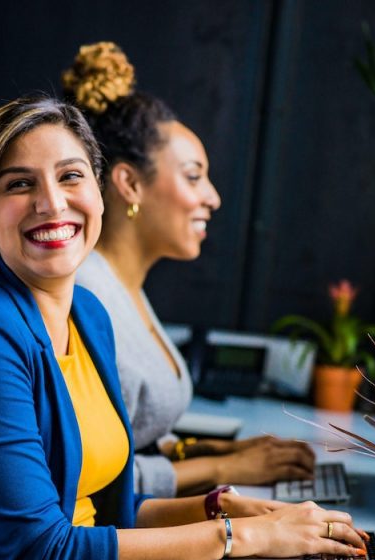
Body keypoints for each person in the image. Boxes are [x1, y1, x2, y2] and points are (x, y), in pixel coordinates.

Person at [0, 95, 367, 560]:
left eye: (71, 176)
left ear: (100, 195)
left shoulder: (88, 315)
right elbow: (44, 557)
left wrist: (216, 507)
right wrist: (240, 535)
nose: (52, 202)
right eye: (19, 184)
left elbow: (105, 513)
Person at [64, 41, 318, 498]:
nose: (213, 197)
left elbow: (133, 438)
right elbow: (92, 481)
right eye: (194, 176)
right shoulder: (86, 297)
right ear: (129, 183)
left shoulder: (124, 288)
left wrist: (215, 452)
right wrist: (227, 468)